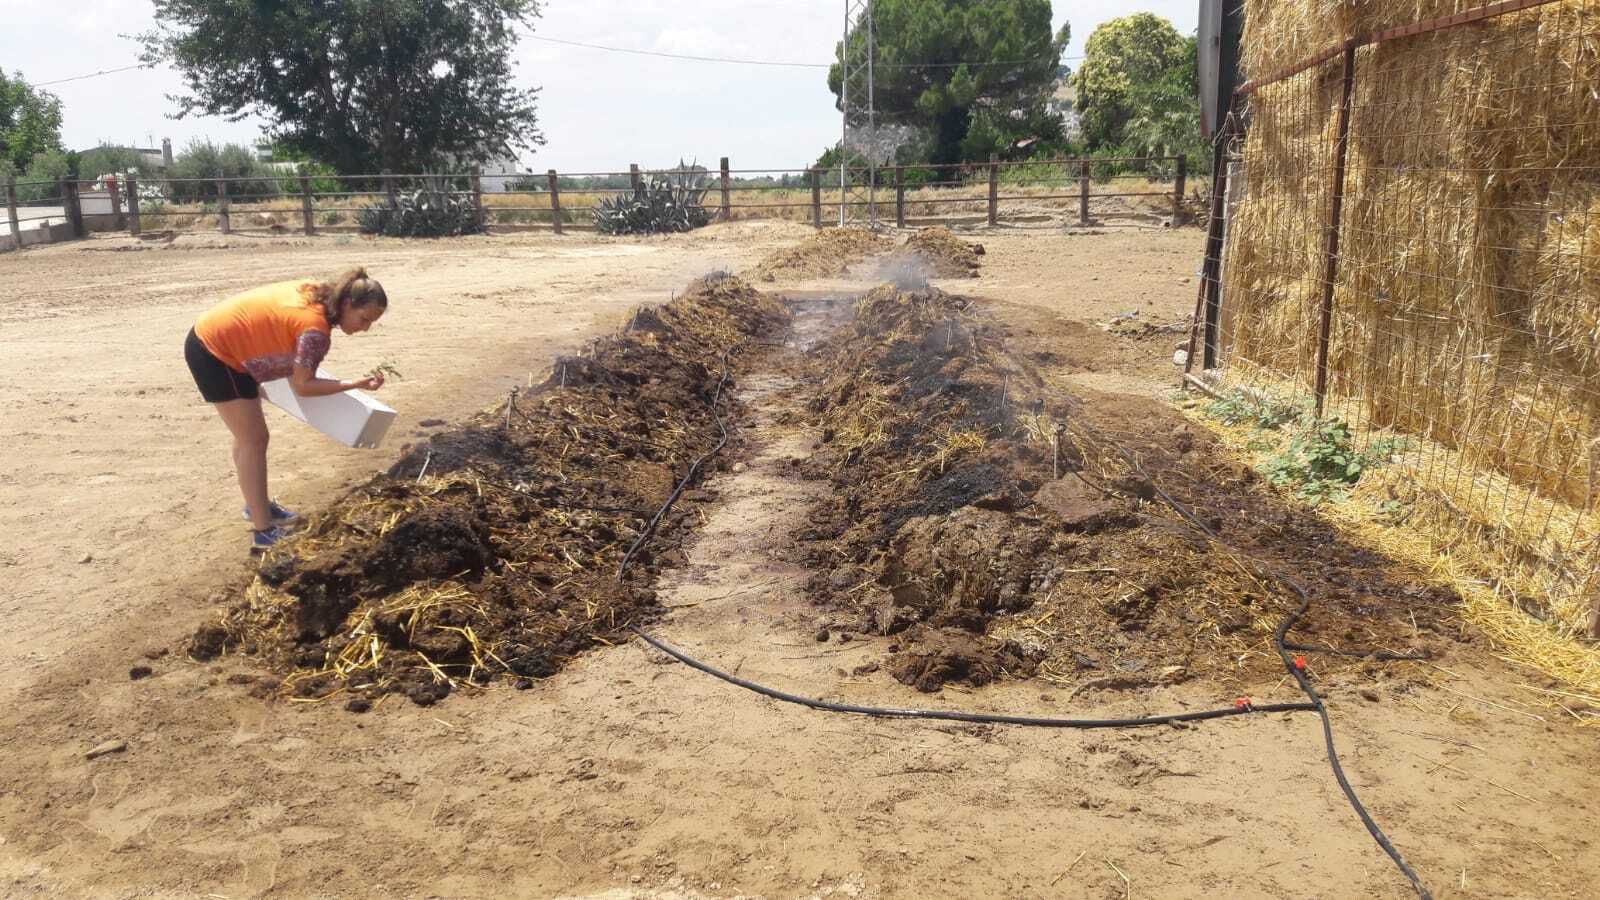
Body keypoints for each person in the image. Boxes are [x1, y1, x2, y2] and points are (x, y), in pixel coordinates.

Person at [184, 267, 389, 553]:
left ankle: (257, 505)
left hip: (224, 339)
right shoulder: (316, 331)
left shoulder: (320, 295)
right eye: (363, 319)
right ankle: (263, 533)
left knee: (249, 436)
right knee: (253, 439)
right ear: (346, 304)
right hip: (216, 351)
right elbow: (303, 386)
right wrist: (356, 383)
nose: (365, 327)